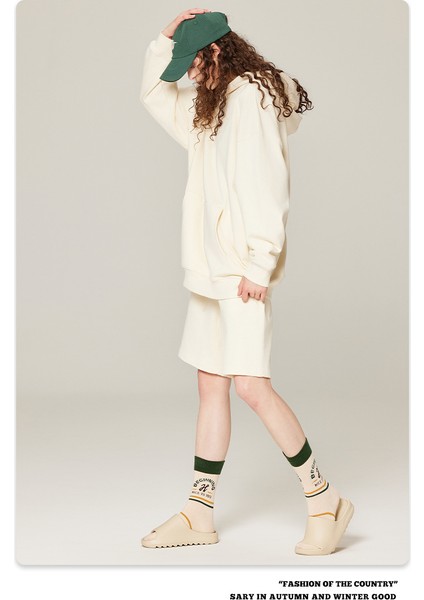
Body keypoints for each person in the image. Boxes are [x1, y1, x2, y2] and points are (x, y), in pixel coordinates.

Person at [139, 8, 354, 556]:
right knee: (211, 382)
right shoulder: (211, 103)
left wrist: (260, 264)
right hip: (209, 269)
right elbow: (156, 95)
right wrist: (165, 40)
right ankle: (199, 513)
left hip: (240, 271)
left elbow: (267, 183)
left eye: (194, 63)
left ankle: (325, 501)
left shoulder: (251, 98)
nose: (190, 76)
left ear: (216, 51)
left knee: (251, 385)